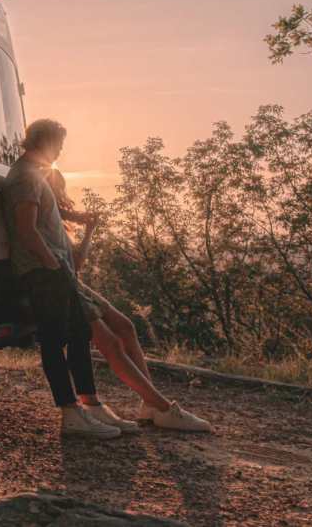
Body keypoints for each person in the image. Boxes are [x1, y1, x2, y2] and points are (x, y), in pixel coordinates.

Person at [44, 167, 212, 432]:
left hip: (78, 284)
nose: (62, 193)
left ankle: (151, 405)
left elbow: (78, 263)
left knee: (126, 328)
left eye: (62, 187)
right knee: (110, 343)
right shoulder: (47, 221)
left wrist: (87, 231)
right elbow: (70, 267)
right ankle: (164, 407)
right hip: (67, 288)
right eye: (58, 187)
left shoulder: (60, 221)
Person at [1, 118, 123, 438]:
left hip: (57, 271)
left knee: (79, 334)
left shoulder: (33, 175)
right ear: (44, 142)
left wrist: (78, 221)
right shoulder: (25, 177)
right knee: (54, 341)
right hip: (43, 272)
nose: (60, 152)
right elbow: (26, 227)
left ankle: (91, 406)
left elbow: (42, 216)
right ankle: (70, 414)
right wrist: (51, 262)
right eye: (59, 145)